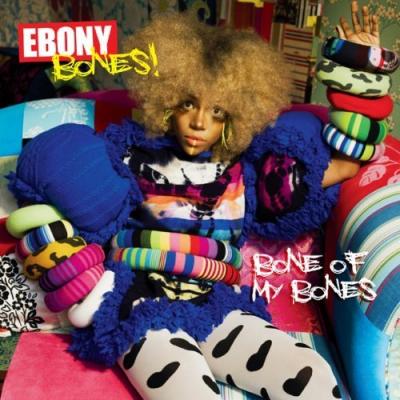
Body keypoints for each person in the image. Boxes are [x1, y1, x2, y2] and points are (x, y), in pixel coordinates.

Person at [6, 1, 390, 399]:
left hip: (218, 303)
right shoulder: (128, 153)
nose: (199, 122)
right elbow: (72, 186)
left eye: (218, 111)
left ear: (236, 115)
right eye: (188, 103)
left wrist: (362, 70)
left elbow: (343, 166)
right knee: (185, 389)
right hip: (139, 303)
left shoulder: (247, 171)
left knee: (311, 377)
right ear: (167, 98)